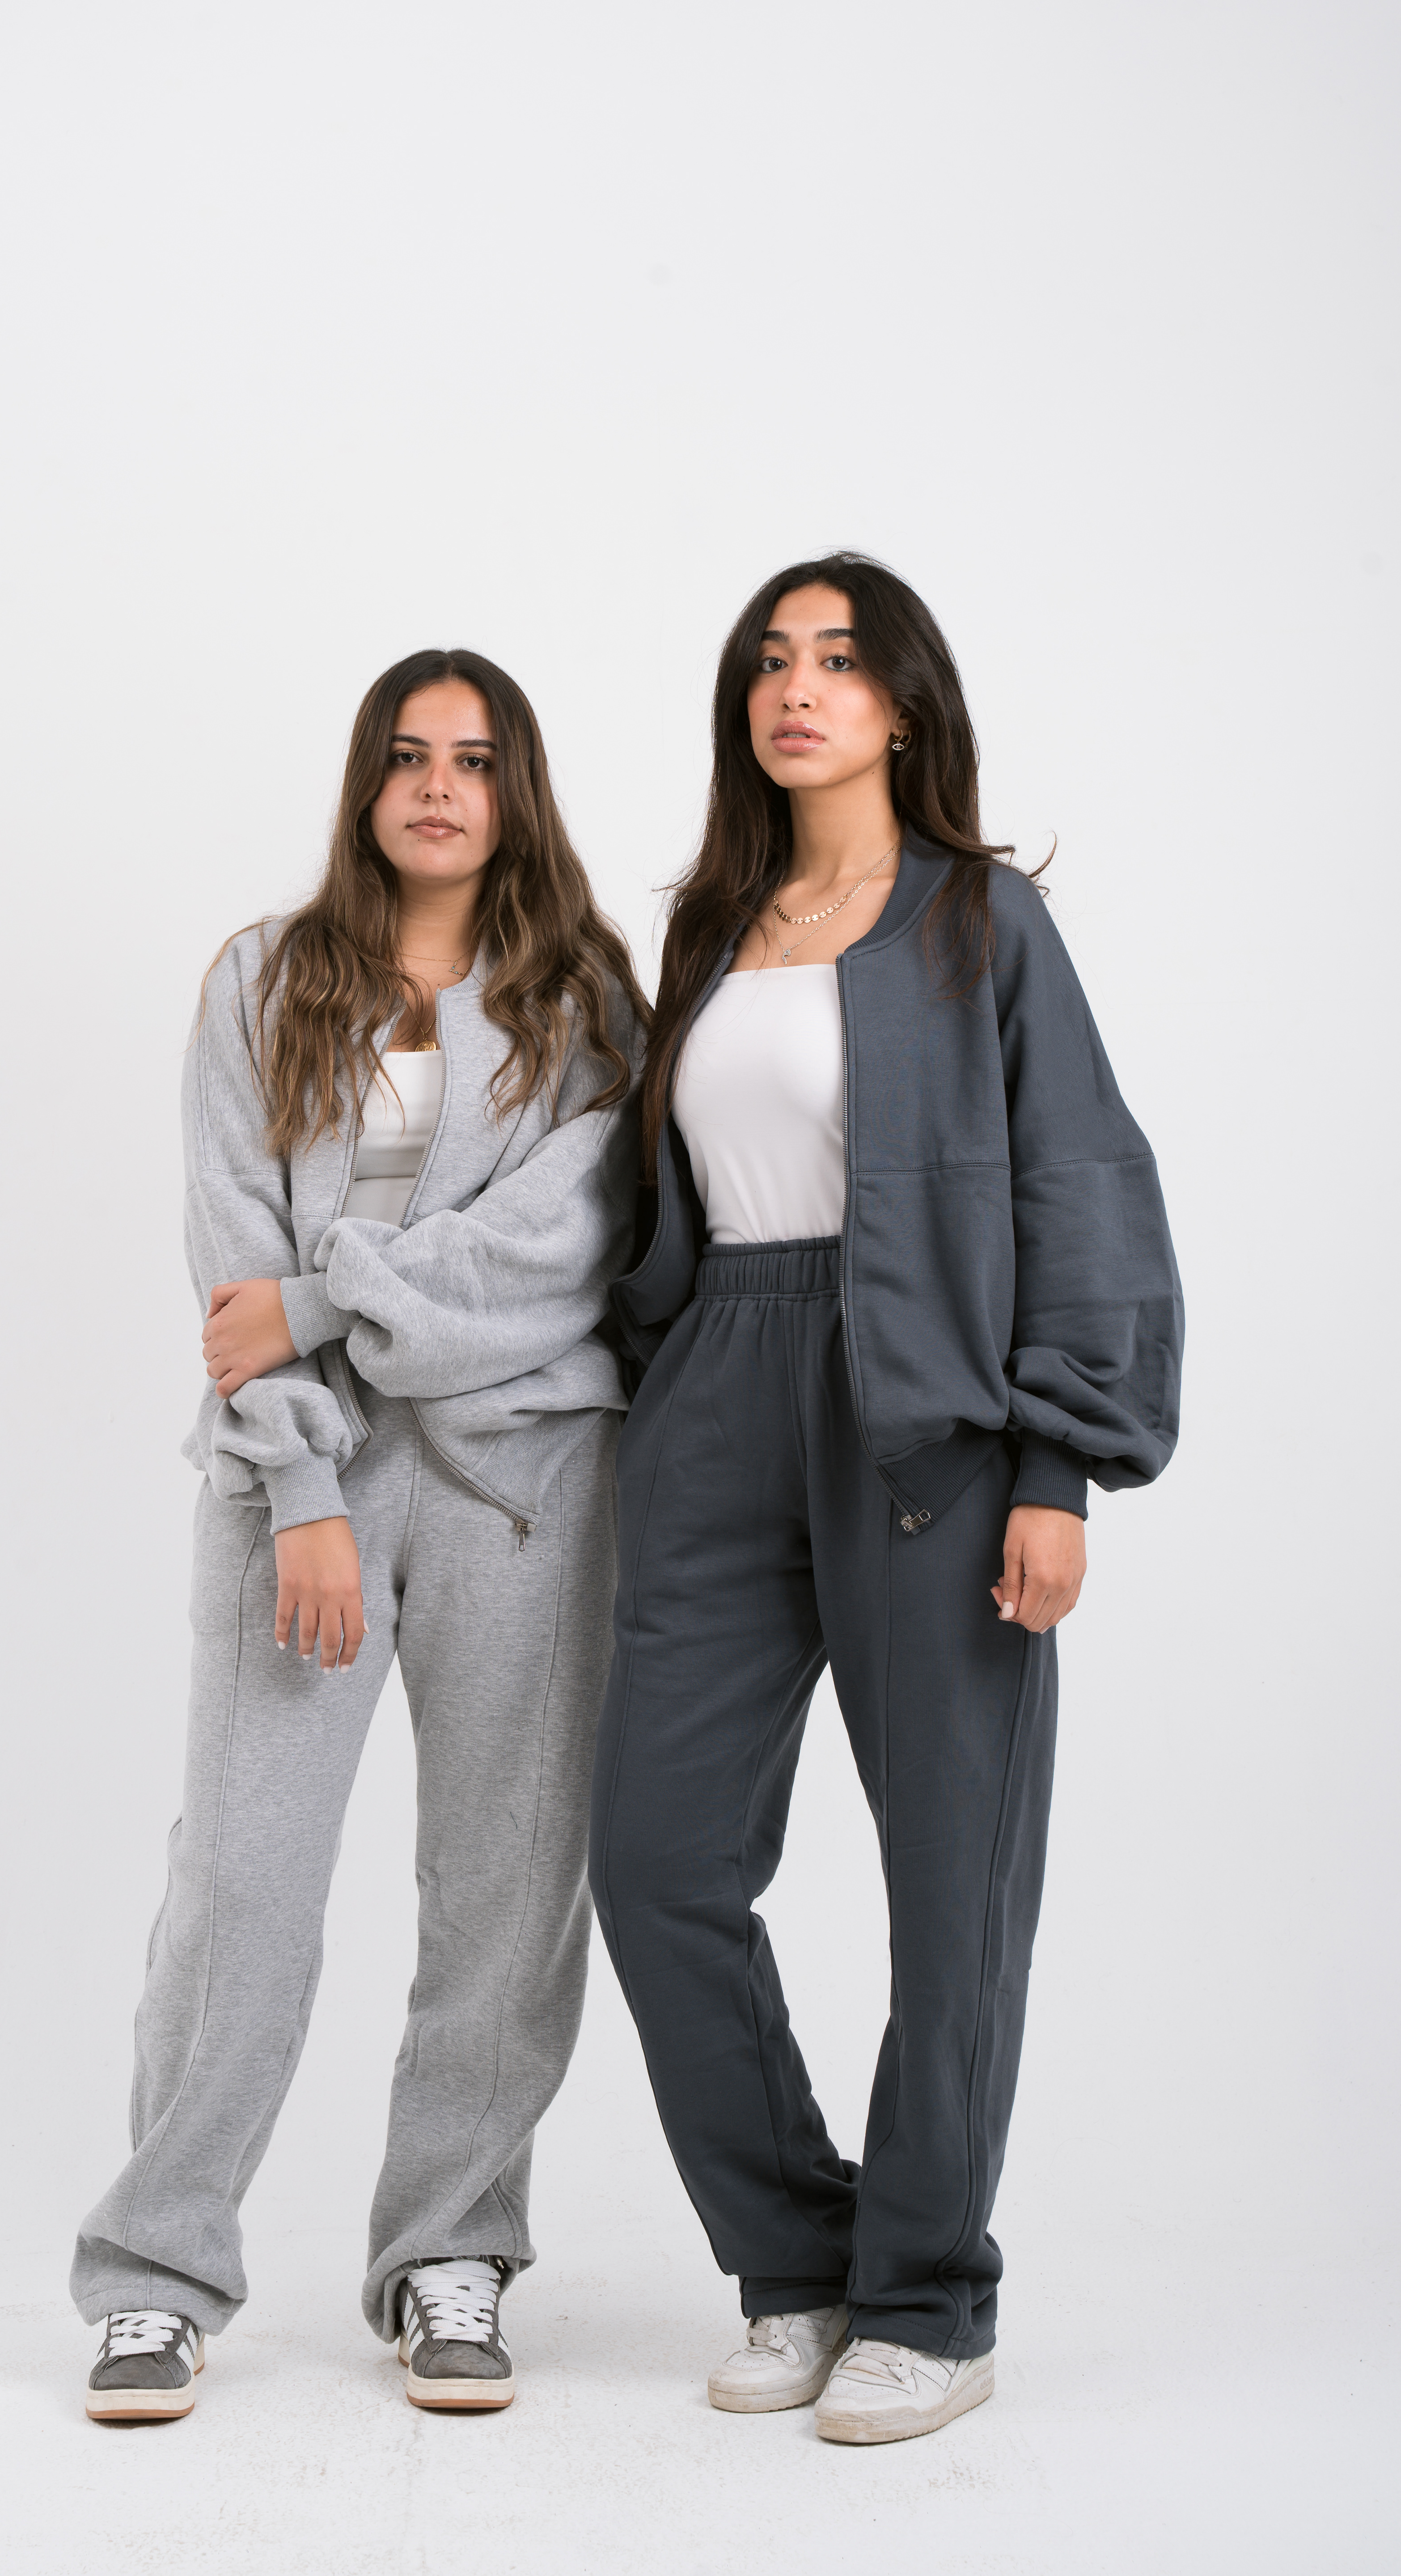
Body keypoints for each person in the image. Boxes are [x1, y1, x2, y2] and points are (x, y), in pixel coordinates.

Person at [589, 553, 1182, 2446]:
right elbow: (658, 1201)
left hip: (928, 1410)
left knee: (951, 1880)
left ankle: (930, 2298)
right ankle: (802, 2259)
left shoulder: (979, 922)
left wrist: (1059, 1461)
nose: (799, 688)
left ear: (903, 705)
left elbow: (1079, 1179)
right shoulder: (714, 929)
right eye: (772, 660)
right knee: (657, 1863)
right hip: (719, 1393)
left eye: (839, 661)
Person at [72, 648, 647, 2422]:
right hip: (293, 1491)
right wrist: (304, 1492)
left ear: (514, 790)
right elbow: (229, 1266)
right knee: (243, 1887)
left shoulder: (586, 1002)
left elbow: (563, 1254)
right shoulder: (265, 980)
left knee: (504, 1891)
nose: (437, 787)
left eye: (472, 759)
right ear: (367, 783)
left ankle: (450, 2254)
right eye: (407, 755)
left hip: (527, 1490)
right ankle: (157, 2272)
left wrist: (327, 1301)